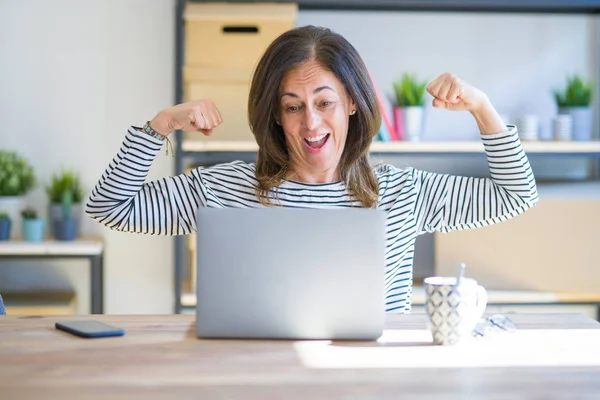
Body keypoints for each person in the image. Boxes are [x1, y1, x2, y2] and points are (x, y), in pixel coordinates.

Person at [86, 25, 538, 313]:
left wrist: (481, 106)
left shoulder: (403, 192)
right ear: (275, 117)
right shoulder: (224, 188)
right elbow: (109, 206)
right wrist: (161, 125)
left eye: (325, 103)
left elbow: (516, 195)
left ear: (353, 105)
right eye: (292, 107)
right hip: (258, 376)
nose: (311, 123)